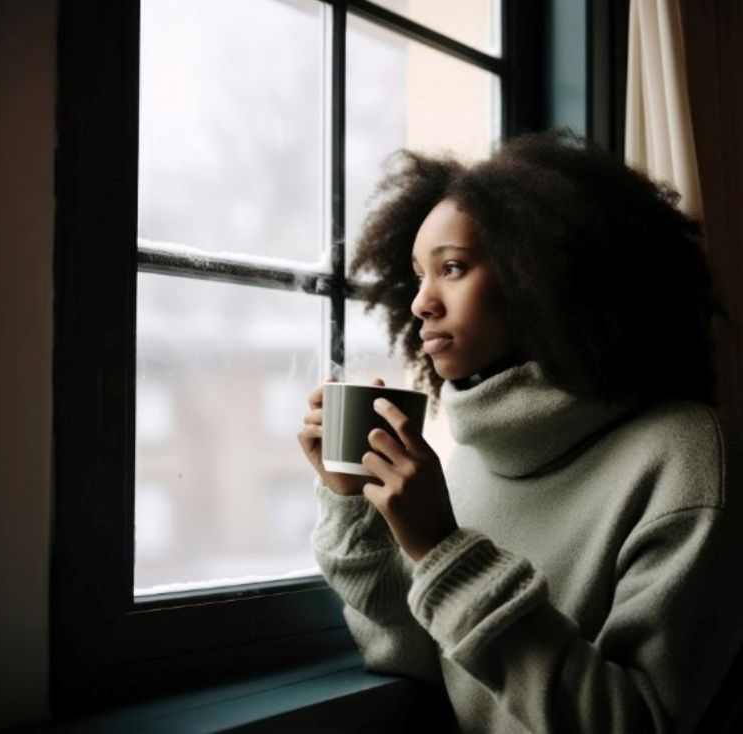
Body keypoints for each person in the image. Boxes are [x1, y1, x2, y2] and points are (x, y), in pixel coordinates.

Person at [297, 129, 743, 733]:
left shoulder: (686, 455)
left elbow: (635, 723)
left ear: (544, 275)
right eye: (417, 275)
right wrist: (358, 510)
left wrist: (441, 549)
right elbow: (413, 659)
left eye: (451, 268)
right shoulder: (470, 459)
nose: (422, 302)